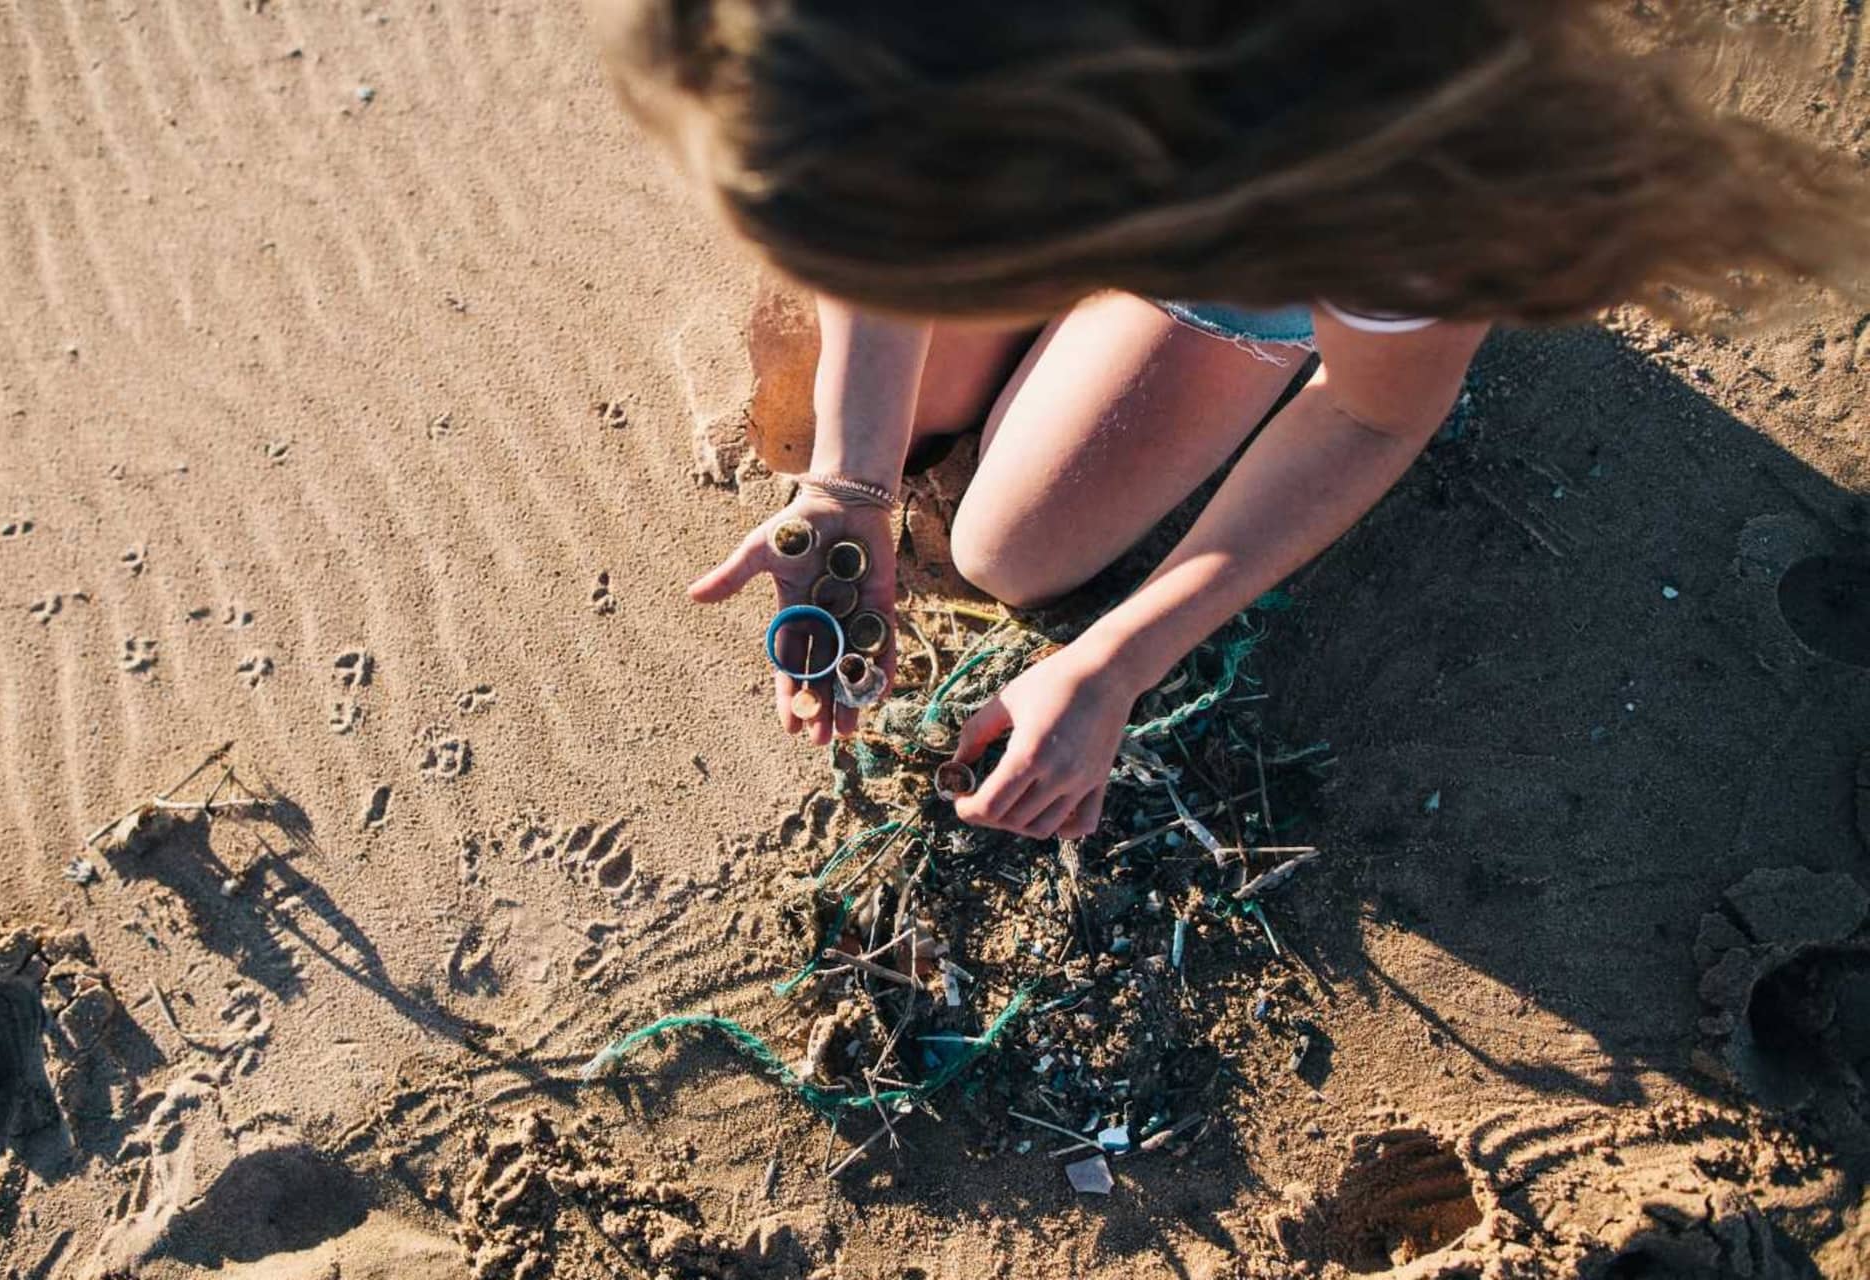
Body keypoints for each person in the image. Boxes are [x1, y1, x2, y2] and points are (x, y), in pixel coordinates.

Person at [592, 1, 1866, 840]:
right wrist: (849, 489)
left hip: (1261, 237)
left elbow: (1370, 420)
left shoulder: (1391, 176)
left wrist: (1112, 661)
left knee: (1012, 550)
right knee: (811, 368)